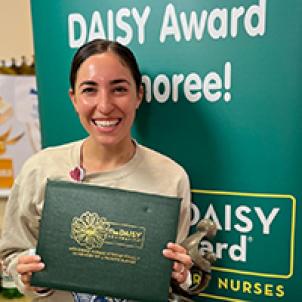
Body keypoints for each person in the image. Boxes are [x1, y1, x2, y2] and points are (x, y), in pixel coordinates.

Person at [0, 39, 193, 302]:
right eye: (89, 90)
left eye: (119, 89)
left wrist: (180, 274)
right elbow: (12, 253)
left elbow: (174, 271)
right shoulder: (40, 169)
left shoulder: (171, 177)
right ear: (74, 99)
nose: (104, 106)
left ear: (139, 95)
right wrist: (27, 274)